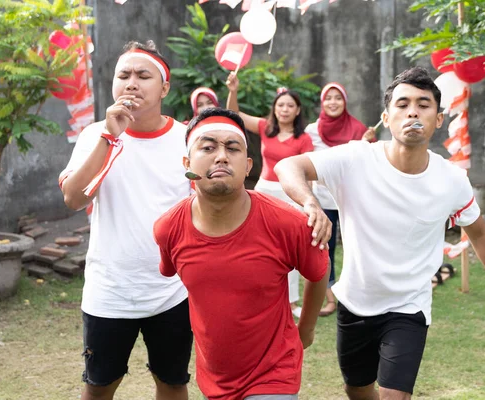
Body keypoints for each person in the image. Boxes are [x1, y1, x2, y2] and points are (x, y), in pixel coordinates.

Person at [274, 67, 485, 400]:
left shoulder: (451, 180)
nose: (413, 111)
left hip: (409, 308)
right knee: (357, 389)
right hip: (355, 303)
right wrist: (310, 202)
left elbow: (480, 235)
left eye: (423, 104)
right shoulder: (356, 158)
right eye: (403, 104)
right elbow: (288, 166)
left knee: (395, 395)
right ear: (386, 116)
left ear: (438, 119)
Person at [153, 107, 330, 400]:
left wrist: (306, 329)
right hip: (214, 379)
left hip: (275, 373)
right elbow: (172, 272)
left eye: (232, 148)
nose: (221, 156)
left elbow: (318, 270)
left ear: (248, 166)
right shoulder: (168, 228)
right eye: (208, 147)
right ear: (187, 162)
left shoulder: (290, 224)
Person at [59, 40, 193, 400]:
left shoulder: (188, 140)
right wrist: (109, 136)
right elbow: (73, 198)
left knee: (172, 383)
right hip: (110, 291)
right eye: (124, 75)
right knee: (99, 387)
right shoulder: (94, 135)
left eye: (143, 75)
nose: (132, 83)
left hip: (172, 292)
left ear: (164, 87)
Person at [226, 71, 315, 318]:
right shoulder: (266, 128)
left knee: (291, 247)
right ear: (274, 109)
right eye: (281, 105)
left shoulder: (304, 138)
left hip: (292, 193)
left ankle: (292, 301)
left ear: (297, 111)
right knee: (256, 244)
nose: (284, 109)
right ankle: (255, 293)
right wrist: (233, 90)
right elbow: (235, 116)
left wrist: (309, 201)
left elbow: (307, 173)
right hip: (265, 190)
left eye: (290, 106)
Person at [305, 82, 377, 316]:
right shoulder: (311, 130)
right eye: (329, 98)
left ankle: (358, 292)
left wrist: (368, 144)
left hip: (351, 197)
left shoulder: (359, 130)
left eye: (338, 98)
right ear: (322, 102)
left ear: (345, 102)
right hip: (322, 199)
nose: (333, 102)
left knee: (357, 245)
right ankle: (329, 298)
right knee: (324, 247)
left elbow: (368, 163)